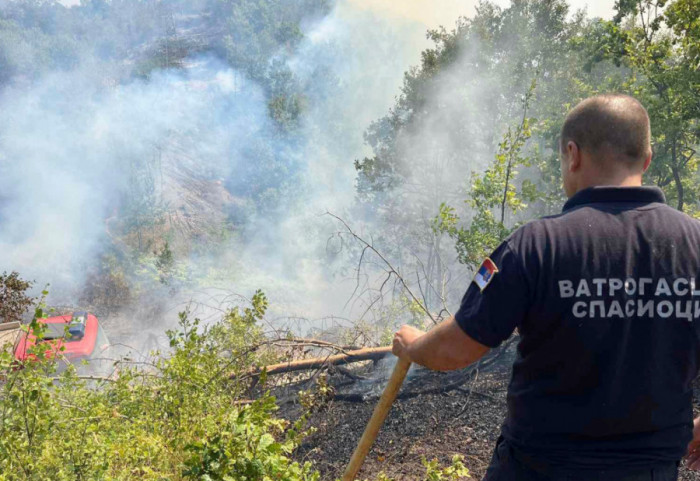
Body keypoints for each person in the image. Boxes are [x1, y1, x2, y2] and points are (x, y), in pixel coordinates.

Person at [392, 94, 700, 481]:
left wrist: (413, 344)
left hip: (540, 469)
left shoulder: (534, 246)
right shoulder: (695, 244)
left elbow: (456, 349)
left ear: (573, 154)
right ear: (647, 158)